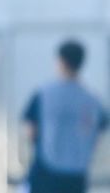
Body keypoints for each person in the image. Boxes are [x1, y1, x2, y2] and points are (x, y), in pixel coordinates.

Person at [22, 40, 108, 193]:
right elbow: (98, 132)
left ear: (61, 61)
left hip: (45, 172)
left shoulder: (43, 94)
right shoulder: (92, 100)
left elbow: (31, 131)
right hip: (77, 174)